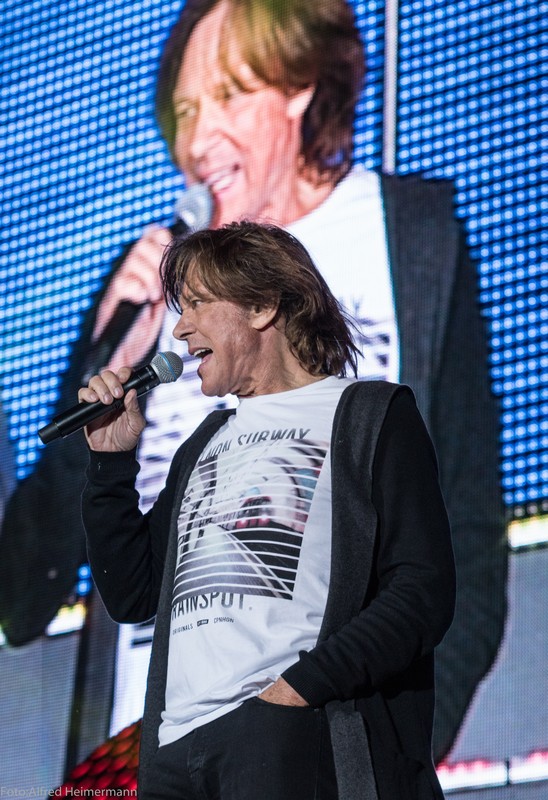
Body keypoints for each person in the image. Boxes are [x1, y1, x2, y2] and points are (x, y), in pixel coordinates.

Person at [0, 0, 505, 763]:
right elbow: (21, 600)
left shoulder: (411, 238)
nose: (198, 141)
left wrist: (390, 755)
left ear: (301, 84)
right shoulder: (152, 286)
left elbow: (464, 539)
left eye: (229, 96)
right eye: (185, 112)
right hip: (147, 751)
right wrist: (106, 370)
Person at [80, 220, 456, 800]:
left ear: (261, 307)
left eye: (198, 304)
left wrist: (299, 690)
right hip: (176, 756)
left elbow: (421, 592)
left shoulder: (368, 416)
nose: (179, 329)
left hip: (288, 733)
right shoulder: (203, 444)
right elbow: (133, 595)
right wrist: (110, 467)